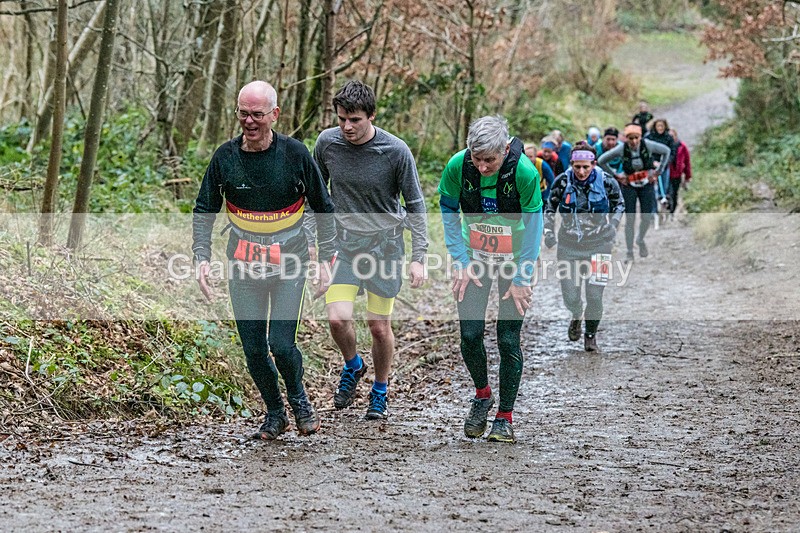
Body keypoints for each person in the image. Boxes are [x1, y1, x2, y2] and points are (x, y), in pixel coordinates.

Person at [192, 81, 337, 440]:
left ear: (274, 115)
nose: (249, 121)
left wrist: (326, 260)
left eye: (257, 114)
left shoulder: (295, 154)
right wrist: (201, 256)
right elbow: (203, 208)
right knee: (254, 349)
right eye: (243, 113)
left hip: (289, 263)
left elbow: (324, 208)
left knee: (282, 345)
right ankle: (275, 413)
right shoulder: (225, 157)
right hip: (243, 265)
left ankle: (299, 399)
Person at [312, 80, 428, 420]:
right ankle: (353, 365)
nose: (347, 126)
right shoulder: (327, 143)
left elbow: (416, 203)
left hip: (385, 246)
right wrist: (316, 250)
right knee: (337, 318)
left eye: (355, 120)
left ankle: (380, 390)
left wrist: (419, 257)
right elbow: (317, 198)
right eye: (342, 119)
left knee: (378, 326)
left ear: (371, 116)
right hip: (344, 245)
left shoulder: (395, 151)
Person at [438, 115, 543, 444]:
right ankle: (483, 395)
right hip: (475, 260)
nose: (482, 167)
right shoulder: (458, 165)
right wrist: (460, 260)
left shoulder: (524, 172)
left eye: (490, 161)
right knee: (469, 335)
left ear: (505, 149)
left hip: (514, 263)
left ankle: (505, 417)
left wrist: (524, 275)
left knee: (507, 338)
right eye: (477, 159)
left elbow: (535, 227)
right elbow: (447, 209)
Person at [544, 143, 625, 352]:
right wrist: (549, 232)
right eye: (577, 167)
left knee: (595, 295)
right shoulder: (562, 181)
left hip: (600, 245)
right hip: (568, 246)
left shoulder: (607, 181)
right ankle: (576, 313)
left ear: (593, 164)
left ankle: (590, 335)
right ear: (571, 164)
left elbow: (619, 204)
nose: (581, 171)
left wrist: (613, 226)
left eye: (586, 167)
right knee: (570, 295)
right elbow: (550, 207)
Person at [597, 123, 670, 262]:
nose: (634, 142)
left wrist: (658, 172)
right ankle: (629, 252)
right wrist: (616, 176)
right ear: (626, 138)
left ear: (640, 137)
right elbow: (602, 160)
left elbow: (666, 151)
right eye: (630, 138)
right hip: (629, 185)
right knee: (630, 219)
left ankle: (640, 239)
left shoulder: (648, 145)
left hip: (646, 184)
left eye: (636, 138)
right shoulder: (621, 148)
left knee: (646, 217)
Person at [645, 118, 677, 209]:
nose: (660, 128)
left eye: (662, 126)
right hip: (651, 166)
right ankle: (652, 210)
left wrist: (664, 162)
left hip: (664, 166)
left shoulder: (669, 138)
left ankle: (662, 206)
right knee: (651, 188)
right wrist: (652, 162)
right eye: (658, 126)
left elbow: (672, 153)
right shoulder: (648, 137)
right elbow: (645, 152)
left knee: (663, 187)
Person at [668, 128, 692, 216]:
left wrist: (688, 176)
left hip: (677, 174)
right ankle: (668, 208)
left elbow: (687, 161)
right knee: (669, 192)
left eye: (672, 136)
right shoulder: (664, 146)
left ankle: (672, 211)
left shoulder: (682, 146)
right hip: (667, 174)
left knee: (674, 193)